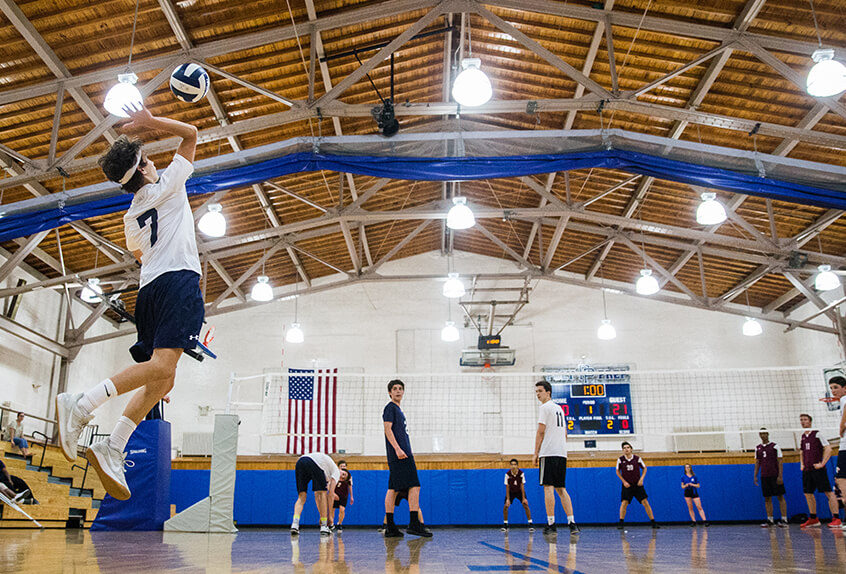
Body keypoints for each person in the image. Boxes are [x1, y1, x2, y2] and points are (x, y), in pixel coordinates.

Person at [54, 105, 201, 502]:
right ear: (144, 169)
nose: (155, 162)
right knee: (162, 368)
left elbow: (139, 255)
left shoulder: (131, 214)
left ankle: (113, 444)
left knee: (163, 378)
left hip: (149, 289)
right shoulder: (168, 184)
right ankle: (81, 404)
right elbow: (191, 133)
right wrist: (152, 122)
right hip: (178, 282)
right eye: (149, 160)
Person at [382, 379, 432, 538]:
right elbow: (387, 430)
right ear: (390, 392)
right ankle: (413, 524)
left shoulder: (398, 410)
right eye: (394, 389)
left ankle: (390, 526)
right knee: (414, 486)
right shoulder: (390, 408)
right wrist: (397, 449)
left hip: (402, 453)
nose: (398, 391)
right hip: (400, 455)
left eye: (400, 388)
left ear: (403, 392)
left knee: (393, 488)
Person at [533, 380, 579, 534]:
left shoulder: (545, 408)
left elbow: (540, 432)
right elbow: (565, 433)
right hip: (561, 453)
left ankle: (551, 524)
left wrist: (535, 453)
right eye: (536, 392)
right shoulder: (559, 409)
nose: (538, 394)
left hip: (548, 453)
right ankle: (572, 523)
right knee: (561, 489)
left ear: (548, 392)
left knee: (548, 488)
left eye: (540, 391)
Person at [798, 413, 840, 528]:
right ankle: (813, 518)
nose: (802, 422)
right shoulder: (802, 436)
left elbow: (828, 448)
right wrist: (802, 464)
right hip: (807, 470)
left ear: (810, 421)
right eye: (801, 420)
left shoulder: (817, 434)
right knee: (808, 493)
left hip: (818, 470)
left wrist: (822, 463)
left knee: (828, 492)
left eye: (805, 419)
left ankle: (836, 518)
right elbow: (801, 451)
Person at [290, 452, 340, 536]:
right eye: (344, 474)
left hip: (300, 462)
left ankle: (295, 524)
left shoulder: (326, 475)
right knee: (323, 494)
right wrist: (330, 517)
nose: (342, 475)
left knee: (302, 497)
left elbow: (317, 496)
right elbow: (330, 495)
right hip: (315, 463)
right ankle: (324, 526)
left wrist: (322, 515)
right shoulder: (336, 472)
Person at [616, 441, 659, 529]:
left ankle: (653, 522)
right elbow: (617, 471)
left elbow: (644, 468)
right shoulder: (620, 459)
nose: (626, 449)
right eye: (624, 448)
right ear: (622, 450)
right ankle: (621, 523)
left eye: (628, 447)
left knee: (645, 502)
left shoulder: (637, 458)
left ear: (631, 449)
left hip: (637, 485)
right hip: (627, 485)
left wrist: (641, 479)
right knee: (624, 503)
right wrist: (624, 481)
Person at [754, 427, 788, 527]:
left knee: (780, 496)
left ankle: (784, 519)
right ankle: (770, 520)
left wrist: (780, 476)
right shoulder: (758, 448)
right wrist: (755, 475)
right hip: (764, 476)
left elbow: (780, 461)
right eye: (761, 434)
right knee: (767, 498)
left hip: (775, 475)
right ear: (759, 435)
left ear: (768, 434)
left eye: (765, 433)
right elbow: (757, 462)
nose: (763, 435)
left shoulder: (775, 446)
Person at [829, 376, 846, 531]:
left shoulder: (844, 399)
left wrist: (841, 427)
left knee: (842, 482)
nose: (833, 390)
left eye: (836, 387)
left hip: (845, 449)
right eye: (831, 388)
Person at [502, 458, 534, 532]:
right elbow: (507, 487)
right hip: (511, 492)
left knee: (525, 505)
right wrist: (508, 499)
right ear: (510, 466)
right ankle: (505, 524)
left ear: (517, 465)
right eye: (512, 464)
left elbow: (522, 486)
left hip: (519, 491)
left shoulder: (521, 473)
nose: (513, 466)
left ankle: (530, 524)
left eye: (515, 464)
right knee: (505, 506)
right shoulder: (507, 474)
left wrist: (523, 498)